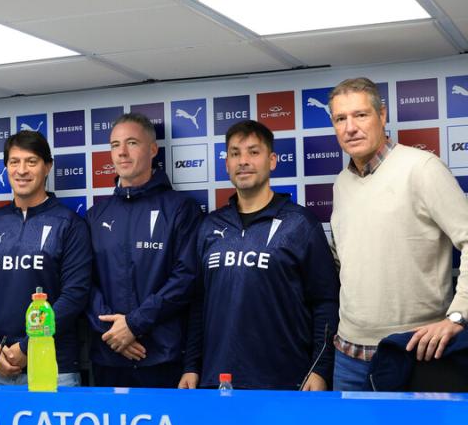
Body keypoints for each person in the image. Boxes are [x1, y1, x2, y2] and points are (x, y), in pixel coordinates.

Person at [329, 77, 468, 390]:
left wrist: (458, 317)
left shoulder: (422, 168)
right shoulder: (341, 183)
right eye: (340, 118)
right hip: (349, 356)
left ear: (382, 115)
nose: (350, 127)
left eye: (360, 115)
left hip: (413, 351)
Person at [192, 120, 339, 390]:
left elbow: (326, 302)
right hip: (218, 382)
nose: (243, 161)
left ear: (272, 160)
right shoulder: (209, 226)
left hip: (285, 382)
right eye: (235, 153)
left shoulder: (300, 223)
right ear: (226, 164)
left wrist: (320, 369)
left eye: (253, 152)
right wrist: (191, 366)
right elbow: (198, 304)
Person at [0, 131, 91, 385]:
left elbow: (75, 294)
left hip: (54, 367)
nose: (22, 170)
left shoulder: (70, 224)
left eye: (31, 161)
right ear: (6, 168)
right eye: (14, 162)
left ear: (47, 167)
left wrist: (27, 346)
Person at [86, 113, 201, 389]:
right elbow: (83, 284)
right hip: (108, 359)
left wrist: (134, 324)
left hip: (162, 359)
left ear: (152, 149)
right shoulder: (95, 215)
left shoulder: (180, 209)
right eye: (115, 145)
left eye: (132, 143)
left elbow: (186, 279)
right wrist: (113, 333)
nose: (122, 153)